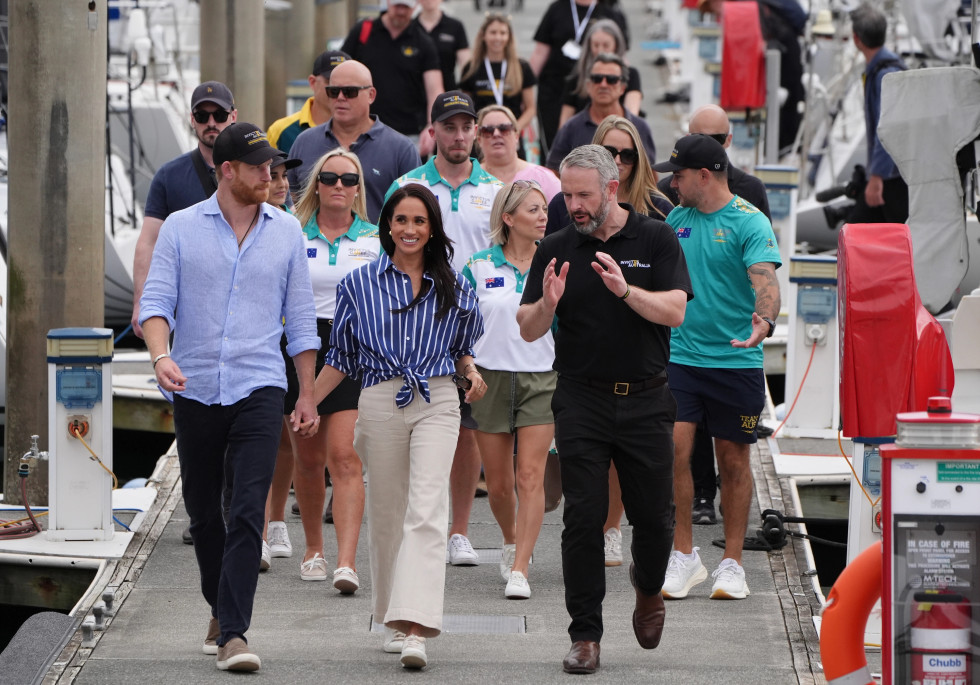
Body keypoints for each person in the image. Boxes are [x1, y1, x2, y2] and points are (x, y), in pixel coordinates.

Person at [140, 123, 321, 672]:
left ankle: (234, 634)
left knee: (247, 508)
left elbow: (302, 320)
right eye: (259, 166)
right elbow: (155, 303)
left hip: (260, 383)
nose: (270, 174)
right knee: (203, 512)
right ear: (227, 171)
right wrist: (160, 356)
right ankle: (219, 607)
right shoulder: (180, 227)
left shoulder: (287, 231)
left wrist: (307, 393)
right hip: (193, 384)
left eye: (272, 166)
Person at [518, 145, 692, 674]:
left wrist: (624, 290)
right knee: (583, 518)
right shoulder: (556, 246)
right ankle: (585, 635)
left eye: (583, 195)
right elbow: (527, 328)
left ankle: (648, 587)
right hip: (581, 397)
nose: (573, 205)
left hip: (646, 397)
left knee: (655, 520)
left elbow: (675, 311)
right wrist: (547, 303)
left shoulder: (655, 237)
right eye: (567, 195)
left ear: (611, 188)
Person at [301, 184, 486, 669]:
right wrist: (308, 402)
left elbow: (463, 347)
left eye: (419, 221)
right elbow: (341, 357)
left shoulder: (455, 284)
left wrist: (471, 371)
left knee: (427, 509)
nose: (410, 229)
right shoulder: (358, 284)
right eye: (401, 220)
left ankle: (416, 627)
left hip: (437, 398)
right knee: (387, 514)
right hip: (380, 398)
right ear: (387, 226)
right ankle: (391, 616)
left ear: (433, 229)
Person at [651, 134, 781, 601]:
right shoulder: (675, 220)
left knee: (733, 459)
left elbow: (766, 281)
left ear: (704, 176)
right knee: (674, 449)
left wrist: (765, 321)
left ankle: (732, 563)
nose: (672, 183)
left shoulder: (750, 221)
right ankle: (684, 555)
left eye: (679, 175)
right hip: (682, 357)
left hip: (736, 359)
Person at [387, 91, 503, 566]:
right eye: (449, 127)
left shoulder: (496, 190)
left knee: (466, 429)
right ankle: (416, 522)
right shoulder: (408, 185)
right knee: (409, 423)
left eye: (466, 127)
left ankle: (458, 531)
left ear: (476, 131)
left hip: (474, 324)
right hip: (416, 321)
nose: (458, 136)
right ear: (432, 131)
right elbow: (389, 251)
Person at [276, 149, 381, 589]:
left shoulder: (376, 238)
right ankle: (314, 549)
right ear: (317, 185)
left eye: (349, 179)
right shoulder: (292, 232)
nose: (340, 185)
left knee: (345, 456)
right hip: (301, 343)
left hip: (353, 346)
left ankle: (347, 561)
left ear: (358, 189)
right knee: (308, 458)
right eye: (330, 177)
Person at [462, 180, 555, 600]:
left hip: (543, 378)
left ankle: (520, 567)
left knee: (530, 475)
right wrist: (466, 368)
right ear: (508, 217)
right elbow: (459, 325)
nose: (543, 216)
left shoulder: (554, 263)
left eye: (544, 209)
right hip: (489, 380)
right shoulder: (478, 265)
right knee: (498, 485)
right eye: (533, 209)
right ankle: (510, 539)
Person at [131, 81, 238, 339]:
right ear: (192, 119)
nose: (211, 122)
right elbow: (149, 242)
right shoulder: (169, 176)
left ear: (233, 117)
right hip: (188, 311)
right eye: (202, 116)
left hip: (243, 303)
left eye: (219, 115)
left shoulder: (254, 171)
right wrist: (141, 303)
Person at [287, 60, 421, 223]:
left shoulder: (401, 149)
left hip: (380, 239)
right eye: (333, 91)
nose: (340, 98)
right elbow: (289, 200)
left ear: (371, 95)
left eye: (350, 92)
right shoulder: (304, 142)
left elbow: (416, 209)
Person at [261, 153, 305, 570]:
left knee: (288, 436)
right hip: (259, 343)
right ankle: (256, 529)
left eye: (283, 177)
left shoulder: (293, 224)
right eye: (272, 176)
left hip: (291, 341)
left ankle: (277, 521)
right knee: (258, 437)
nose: (280, 183)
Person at [340, 0, 443, 157]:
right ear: (387, 3)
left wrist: (431, 125)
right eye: (397, 6)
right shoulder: (363, 32)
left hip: (409, 133)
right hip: (363, 130)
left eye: (406, 7)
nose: (401, 11)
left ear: (415, 7)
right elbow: (340, 74)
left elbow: (434, 89)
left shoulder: (423, 41)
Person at [528, 0, 629, 150]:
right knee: (555, 139)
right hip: (555, 88)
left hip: (594, 86)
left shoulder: (610, 12)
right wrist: (525, 88)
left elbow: (621, 55)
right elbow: (540, 52)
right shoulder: (557, 9)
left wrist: (627, 78)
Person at [547, 114, 671, 235]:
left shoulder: (659, 208)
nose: (617, 160)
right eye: (609, 152)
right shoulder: (561, 204)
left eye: (627, 155)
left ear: (637, 160)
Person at [657, 104, 771, 222]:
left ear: (728, 140)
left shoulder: (751, 189)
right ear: (688, 138)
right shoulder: (666, 191)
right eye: (699, 138)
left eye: (716, 139)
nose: (708, 145)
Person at [849, 2, 909, 223]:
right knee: (857, 232)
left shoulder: (885, 74)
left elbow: (887, 128)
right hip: (891, 176)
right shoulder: (884, 68)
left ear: (856, 39)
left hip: (890, 179)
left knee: (856, 231)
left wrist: (876, 176)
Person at [545, 54, 656, 172]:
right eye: (597, 78)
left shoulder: (640, 127)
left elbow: (650, 174)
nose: (603, 84)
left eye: (612, 80)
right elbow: (554, 172)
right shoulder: (571, 128)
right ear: (588, 85)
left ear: (623, 88)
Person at [458, 13, 536, 158]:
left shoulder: (521, 67)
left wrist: (513, 129)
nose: (498, 37)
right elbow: (465, 107)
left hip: (510, 135)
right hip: (482, 136)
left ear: (509, 37)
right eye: (493, 32)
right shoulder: (472, 67)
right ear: (483, 35)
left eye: (503, 33)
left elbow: (530, 109)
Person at [558, 20, 641, 128]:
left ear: (616, 45)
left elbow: (632, 115)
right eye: (596, 45)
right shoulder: (577, 78)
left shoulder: (631, 75)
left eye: (606, 45)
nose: (600, 50)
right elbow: (564, 124)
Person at [267, 50, 350, 155]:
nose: (340, 92)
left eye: (348, 85)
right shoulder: (281, 131)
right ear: (312, 82)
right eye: (331, 82)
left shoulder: (363, 130)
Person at [476, 105, 560, 200]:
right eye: (487, 130)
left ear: (516, 136)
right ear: (479, 140)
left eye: (504, 128)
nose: (496, 134)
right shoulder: (468, 178)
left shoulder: (544, 178)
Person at [414, 0, 470, 91]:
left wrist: (466, 91)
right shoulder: (409, 27)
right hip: (415, 92)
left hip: (447, 91)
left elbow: (466, 65)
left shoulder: (455, 26)